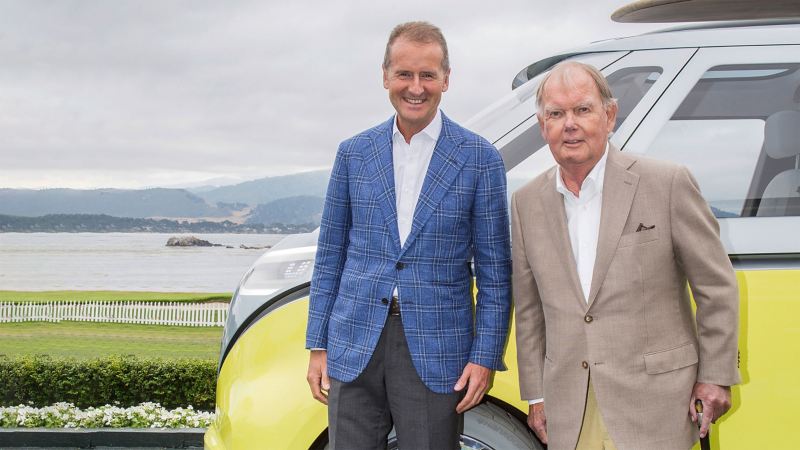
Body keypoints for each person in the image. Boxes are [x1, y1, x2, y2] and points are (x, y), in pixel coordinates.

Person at [511, 61, 740, 450]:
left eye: (583, 109)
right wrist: (536, 395)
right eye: (556, 113)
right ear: (542, 126)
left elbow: (715, 287)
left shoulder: (667, 183)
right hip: (571, 410)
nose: (570, 124)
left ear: (609, 115)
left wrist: (715, 376)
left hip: (658, 407)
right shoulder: (524, 202)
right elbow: (530, 310)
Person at [305, 21, 511, 450]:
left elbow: (495, 273)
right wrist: (318, 345)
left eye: (428, 75)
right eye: (404, 74)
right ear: (385, 76)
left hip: (437, 350)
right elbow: (330, 256)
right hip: (354, 343)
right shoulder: (352, 154)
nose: (415, 87)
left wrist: (484, 356)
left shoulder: (480, 159)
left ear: (446, 79)